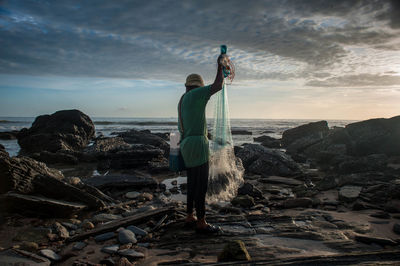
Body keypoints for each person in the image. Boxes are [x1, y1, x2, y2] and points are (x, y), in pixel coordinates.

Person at [178, 55, 224, 234]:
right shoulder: (196, 95)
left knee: (192, 183)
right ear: (197, 87)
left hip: (187, 146)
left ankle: (190, 216)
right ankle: (201, 223)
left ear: (186, 86)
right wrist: (220, 66)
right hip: (198, 147)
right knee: (201, 186)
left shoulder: (183, 101)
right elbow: (218, 85)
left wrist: (212, 136)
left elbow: (191, 126)